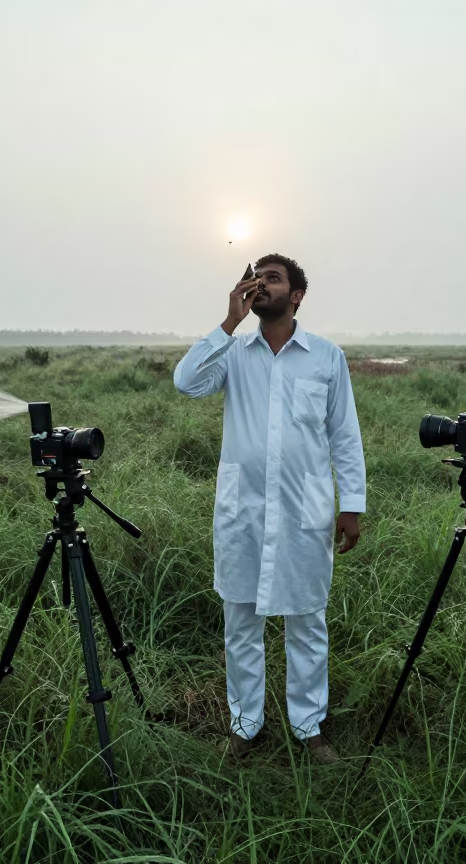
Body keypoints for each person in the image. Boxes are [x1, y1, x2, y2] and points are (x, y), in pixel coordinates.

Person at [173, 253, 366, 764]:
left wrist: (352, 505)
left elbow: (344, 435)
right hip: (243, 514)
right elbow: (185, 382)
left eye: (273, 278)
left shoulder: (326, 357)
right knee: (241, 627)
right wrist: (228, 321)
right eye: (255, 277)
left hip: (306, 513)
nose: (260, 284)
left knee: (307, 624)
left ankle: (309, 728)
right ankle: (245, 726)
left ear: (297, 295)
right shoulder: (234, 353)